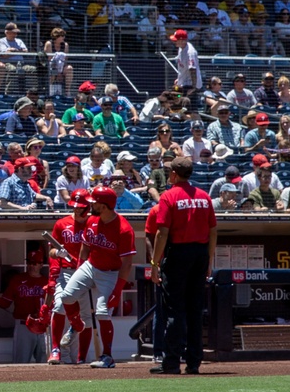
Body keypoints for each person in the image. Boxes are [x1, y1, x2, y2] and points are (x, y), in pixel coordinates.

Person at [148, 155, 217, 376]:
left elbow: (162, 232)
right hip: (200, 254)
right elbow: (213, 231)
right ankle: (194, 362)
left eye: (170, 172)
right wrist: (209, 259)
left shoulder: (168, 196)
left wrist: (155, 263)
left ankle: (171, 362)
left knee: (174, 311)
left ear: (174, 174)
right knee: (195, 310)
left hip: (178, 254)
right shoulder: (204, 197)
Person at [59, 186, 136, 370]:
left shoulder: (124, 228)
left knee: (102, 312)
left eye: (95, 203)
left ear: (105, 205)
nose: (90, 205)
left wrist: (118, 290)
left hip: (110, 273)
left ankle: (107, 356)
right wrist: (79, 273)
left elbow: (127, 263)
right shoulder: (92, 220)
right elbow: (85, 249)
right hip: (90, 265)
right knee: (67, 296)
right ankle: (77, 324)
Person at [48, 190, 94, 365]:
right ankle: (55, 350)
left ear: (87, 207)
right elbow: (51, 251)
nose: (76, 210)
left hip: (88, 273)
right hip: (66, 272)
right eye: (74, 207)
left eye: (80, 208)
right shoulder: (62, 224)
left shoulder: (94, 223)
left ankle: (81, 358)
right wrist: (57, 252)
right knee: (60, 305)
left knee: (87, 316)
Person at [0, 255, 48, 364]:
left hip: (43, 326)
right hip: (24, 325)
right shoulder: (18, 280)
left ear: (41, 265)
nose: (31, 266)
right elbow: (5, 303)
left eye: (35, 263)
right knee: (21, 362)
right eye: (29, 263)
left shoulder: (47, 282)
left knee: (45, 361)